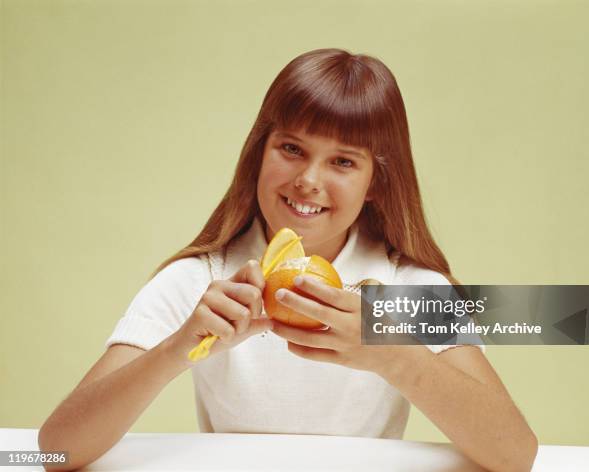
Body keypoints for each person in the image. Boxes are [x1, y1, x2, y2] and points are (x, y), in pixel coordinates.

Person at [39, 48, 537, 471]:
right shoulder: (202, 281)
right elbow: (55, 453)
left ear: (376, 183)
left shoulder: (410, 290)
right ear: (260, 152)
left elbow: (515, 454)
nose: (309, 180)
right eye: (292, 149)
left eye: (343, 161)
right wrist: (175, 350)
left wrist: (394, 355)